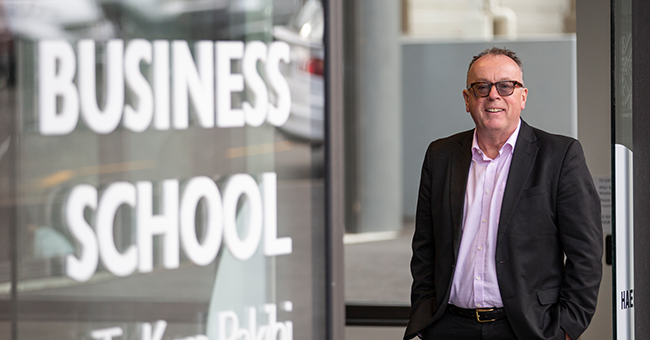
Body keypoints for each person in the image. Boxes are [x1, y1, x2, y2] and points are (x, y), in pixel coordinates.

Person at [404, 47, 603, 340]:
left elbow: (585, 253)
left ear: (522, 97)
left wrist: (566, 328)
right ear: (467, 99)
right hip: (450, 327)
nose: (493, 95)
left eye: (506, 86)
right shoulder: (440, 155)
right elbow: (425, 247)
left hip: (527, 329)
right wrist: (426, 313)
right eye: (481, 86)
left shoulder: (559, 156)